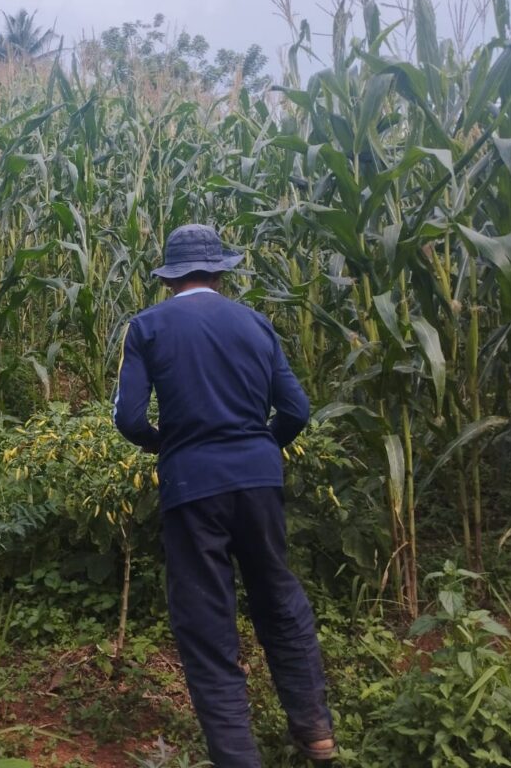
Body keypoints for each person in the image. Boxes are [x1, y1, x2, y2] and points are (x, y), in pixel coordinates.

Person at [112, 224, 336, 766]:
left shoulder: (147, 327)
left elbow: (129, 418)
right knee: (277, 597)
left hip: (192, 484)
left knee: (206, 617)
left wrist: (170, 445)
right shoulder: (255, 323)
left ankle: (237, 755)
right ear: (219, 272)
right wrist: (261, 447)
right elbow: (297, 410)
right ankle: (315, 731)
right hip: (259, 479)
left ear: (170, 278)